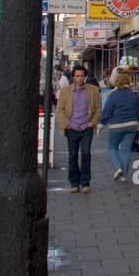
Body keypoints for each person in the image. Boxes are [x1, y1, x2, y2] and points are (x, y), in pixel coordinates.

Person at [56, 65, 100, 193]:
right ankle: (74, 182)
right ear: (73, 77)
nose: (80, 79)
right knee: (72, 156)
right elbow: (59, 111)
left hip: (86, 128)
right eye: (77, 76)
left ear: (85, 77)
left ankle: (85, 182)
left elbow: (98, 109)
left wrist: (93, 123)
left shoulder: (93, 90)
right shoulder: (66, 92)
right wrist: (66, 124)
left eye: (82, 76)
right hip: (72, 128)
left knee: (86, 154)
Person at [99, 69, 139, 183]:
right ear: (128, 82)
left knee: (112, 147)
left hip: (116, 125)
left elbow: (107, 112)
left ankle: (118, 167)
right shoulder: (135, 95)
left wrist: (101, 125)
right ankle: (123, 175)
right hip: (132, 125)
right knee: (126, 150)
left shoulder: (113, 95)